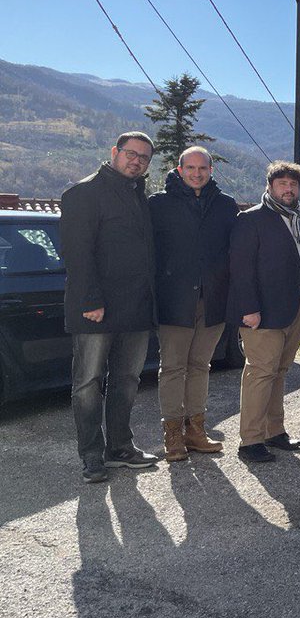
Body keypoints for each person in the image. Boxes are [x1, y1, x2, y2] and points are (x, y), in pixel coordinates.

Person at [60, 131, 160, 483]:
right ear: (114, 151)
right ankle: (91, 456)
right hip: (95, 310)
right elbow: (76, 253)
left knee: (127, 380)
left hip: (135, 309)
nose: (137, 161)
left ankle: (120, 448)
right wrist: (91, 300)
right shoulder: (83, 193)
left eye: (144, 158)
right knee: (88, 383)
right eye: (132, 154)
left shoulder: (138, 196)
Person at [148, 146, 238, 463]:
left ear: (211, 171)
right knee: (173, 367)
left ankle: (196, 431)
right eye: (191, 168)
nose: (197, 173)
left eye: (203, 168)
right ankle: (173, 436)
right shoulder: (158, 205)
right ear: (180, 169)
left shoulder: (226, 207)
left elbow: (234, 254)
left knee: (201, 366)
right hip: (174, 300)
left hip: (213, 301)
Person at [228, 161, 300, 464]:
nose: (288, 189)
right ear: (270, 186)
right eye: (282, 184)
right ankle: (250, 440)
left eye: (293, 184)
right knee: (260, 372)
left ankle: (274, 430)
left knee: (279, 371)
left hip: (299, 305)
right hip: (263, 310)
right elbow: (240, 269)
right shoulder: (252, 219)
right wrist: (249, 309)